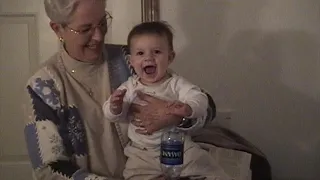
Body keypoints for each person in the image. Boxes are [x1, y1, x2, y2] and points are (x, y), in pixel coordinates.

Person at [22, 0, 219, 179]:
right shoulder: (42, 86)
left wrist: (177, 117)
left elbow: (207, 106)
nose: (99, 36)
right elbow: (49, 169)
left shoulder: (131, 57)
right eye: (85, 29)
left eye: (102, 22)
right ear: (57, 29)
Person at [102, 21, 231, 180]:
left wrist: (188, 109)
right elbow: (113, 116)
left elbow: (200, 98)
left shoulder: (176, 84)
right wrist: (115, 107)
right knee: (133, 175)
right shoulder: (129, 87)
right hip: (142, 153)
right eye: (140, 53)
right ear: (131, 60)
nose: (148, 57)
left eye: (156, 51)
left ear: (170, 57)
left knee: (209, 169)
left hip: (178, 145)